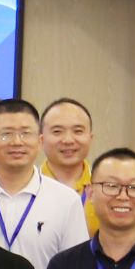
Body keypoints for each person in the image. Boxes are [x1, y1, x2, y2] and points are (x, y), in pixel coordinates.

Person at [0, 99, 85, 269]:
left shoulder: (66, 200)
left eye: (26, 133)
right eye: (6, 134)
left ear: (40, 140)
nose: (17, 142)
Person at [36, 97, 96, 230]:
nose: (68, 140)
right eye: (57, 131)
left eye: (78, 131)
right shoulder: (28, 186)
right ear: (41, 140)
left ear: (90, 138)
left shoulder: (106, 187)